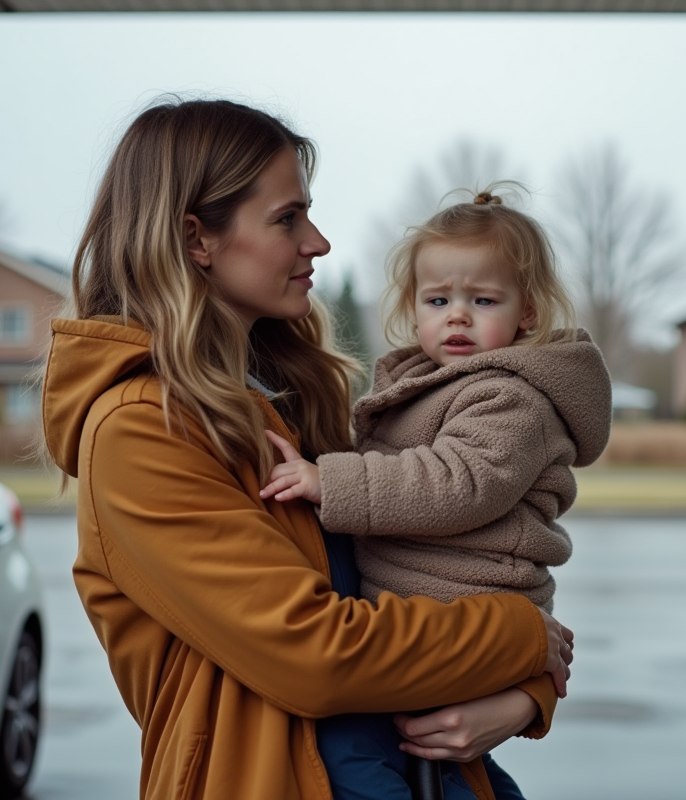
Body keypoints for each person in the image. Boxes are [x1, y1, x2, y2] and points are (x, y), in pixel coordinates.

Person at [39, 98, 575, 800]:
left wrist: (527, 693)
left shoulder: (287, 399)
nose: (318, 242)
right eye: (288, 218)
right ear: (197, 239)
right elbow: (319, 654)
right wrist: (523, 640)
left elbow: (438, 568)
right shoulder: (142, 430)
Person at [260, 188, 611, 799]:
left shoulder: (509, 397)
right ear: (413, 306)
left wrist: (328, 480)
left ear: (526, 313)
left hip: (466, 602)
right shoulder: (427, 387)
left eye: (482, 300)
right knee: (441, 767)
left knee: (356, 755)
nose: (457, 316)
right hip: (430, 614)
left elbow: (456, 483)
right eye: (439, 299)